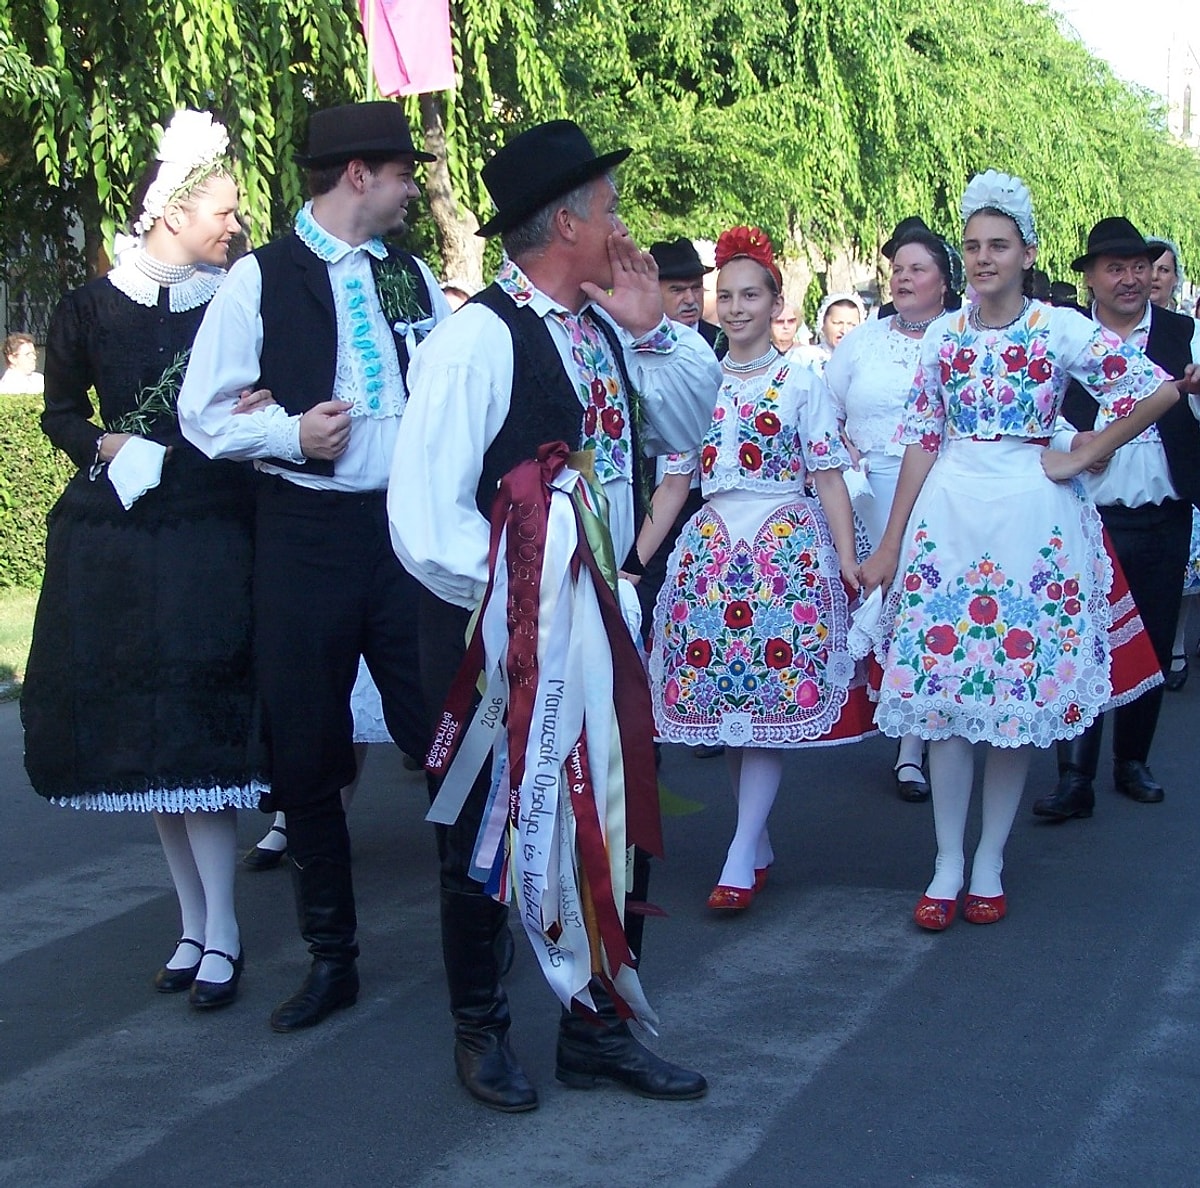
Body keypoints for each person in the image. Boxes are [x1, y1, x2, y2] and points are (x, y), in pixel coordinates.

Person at [389, 119, 717, 1113]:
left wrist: (652, 325)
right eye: (609, 205)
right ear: (566, 221)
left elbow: (692, 426)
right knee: (489, 829)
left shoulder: (609, 325)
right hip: (506, 638)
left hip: (606, 626)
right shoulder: (477, 339)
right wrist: (518, 602)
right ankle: (479, 1030)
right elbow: (421, 514)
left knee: (617, 825)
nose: (622, 222)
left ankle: (599, 1028)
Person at [178, 101, 451, 1032]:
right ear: (359, 175)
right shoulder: (260, 278)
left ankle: (479, 940)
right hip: (301, 535)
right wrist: (288, 432)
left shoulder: (411, 275)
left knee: (445, 733)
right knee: (306, 750)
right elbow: (203, 413)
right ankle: (332, 959)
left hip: (398, 538)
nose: (415, 187)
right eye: (404, 171)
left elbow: (444, 388)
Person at [860, 172, 1181, 930]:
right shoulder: (943, 334)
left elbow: (1156, 388)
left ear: (1028, 252)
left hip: (1032, 519)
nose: (982, 257)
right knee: (941, 700)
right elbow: (920, 440)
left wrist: (1083, 452)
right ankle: (944, 861)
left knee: (1012, 699)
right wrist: (890, 542)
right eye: (971, 245)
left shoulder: (1057, 327)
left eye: (997, 244)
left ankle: (989, 859)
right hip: (950, 513)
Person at [21, 110, 264, 1009]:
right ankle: (193, 923)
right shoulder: (86, 307)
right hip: (120, 537)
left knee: (200, 731)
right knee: (147, 745)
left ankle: (226, 931)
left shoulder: (237, 296)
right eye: (223, 211)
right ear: (172, 210)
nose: (234, 227)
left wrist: (259, 401)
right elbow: (58, 414)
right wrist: (103, 446)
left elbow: (260, 391)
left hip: (209, 531)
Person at [646, 225, 874, 909]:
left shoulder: (800, 381)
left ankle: (741, 852)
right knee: (729, 703)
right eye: (728, 295)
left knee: (766, 701)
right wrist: (631, 562)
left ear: (776, 302)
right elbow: (673, 485)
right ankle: (755, 838)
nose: (738, 306)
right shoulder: (696, 384)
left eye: (752, 294)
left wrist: (847, 559)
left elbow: (829, 478)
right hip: (712, 556)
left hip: (785, 552)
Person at [1030, 219, 1200, 817]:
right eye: (1115, 268)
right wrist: (1078, 444)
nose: (1130, 279)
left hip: (1164, 513)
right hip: (1086, 517)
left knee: (1150, 640)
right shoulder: (1066, 338)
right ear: (1091, 278)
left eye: (1139, 267)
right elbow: (1042, 416)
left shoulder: (1184, 334)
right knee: (1080, 641)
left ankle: (1133, 760)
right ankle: (1074, 775)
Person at [825, 227, 962, 802]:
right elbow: (824, 412)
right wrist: (846, 453)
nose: (903, 278)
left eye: (917, 269)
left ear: (944, 282)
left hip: (943, 487)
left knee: (923, 601)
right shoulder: (861, 343)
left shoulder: (960, 338)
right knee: (882, 602)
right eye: (897, 269)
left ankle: (913, 746)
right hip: (869, 490)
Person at [1146, 238, 1200, 690]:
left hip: (1171, 489)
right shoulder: (1084, 331)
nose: (1152, 279)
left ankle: (1176, 646)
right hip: (1100, 494)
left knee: (1173, 590)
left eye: (1164, 270)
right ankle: (1077, 763)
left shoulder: (1185, 331)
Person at [648, 237, 721, 349]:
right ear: (654, 291)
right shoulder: (638, 344)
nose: (690, 299)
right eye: (677, 290)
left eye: (696, 287)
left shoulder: (724, 342)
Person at [795, 292, 865, 373]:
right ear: (822, 323)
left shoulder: (868, 361)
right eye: (837, 323)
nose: (844, 331)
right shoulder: (804, 357)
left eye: (852, 325)